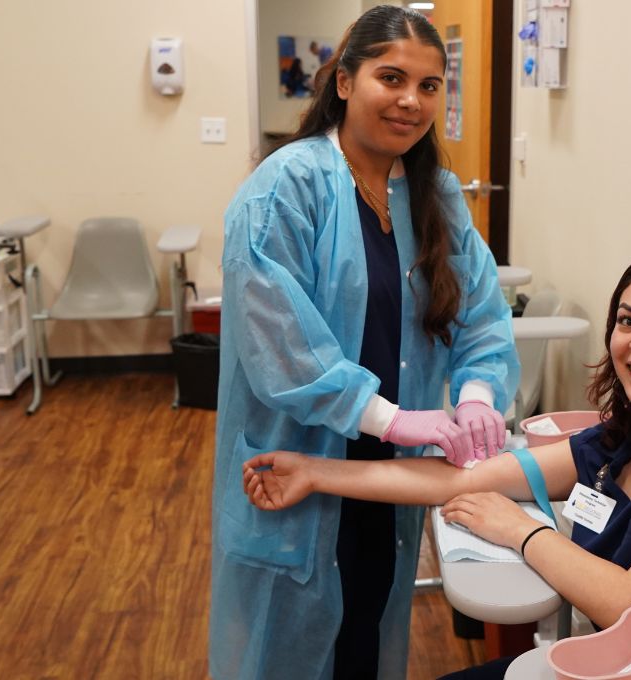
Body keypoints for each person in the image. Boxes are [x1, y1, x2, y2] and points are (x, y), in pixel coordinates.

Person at [241, 248, 631, 678]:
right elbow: (462, 479)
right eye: (627, 320)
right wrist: (316, 473)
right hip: (626, 663)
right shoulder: (630, 436)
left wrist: (522, 532)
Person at [209, 5, 520, 680]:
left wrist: (474, 396)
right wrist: (394, 418)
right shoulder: (284, 191)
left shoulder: (433, 193)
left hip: (390, 478)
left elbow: (481, 315)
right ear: (345, 82)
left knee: (367, 632)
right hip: (299, 466)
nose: (411, 100)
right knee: (283, 647)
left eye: (430, 85)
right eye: (391, 77)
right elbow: (279, 347)